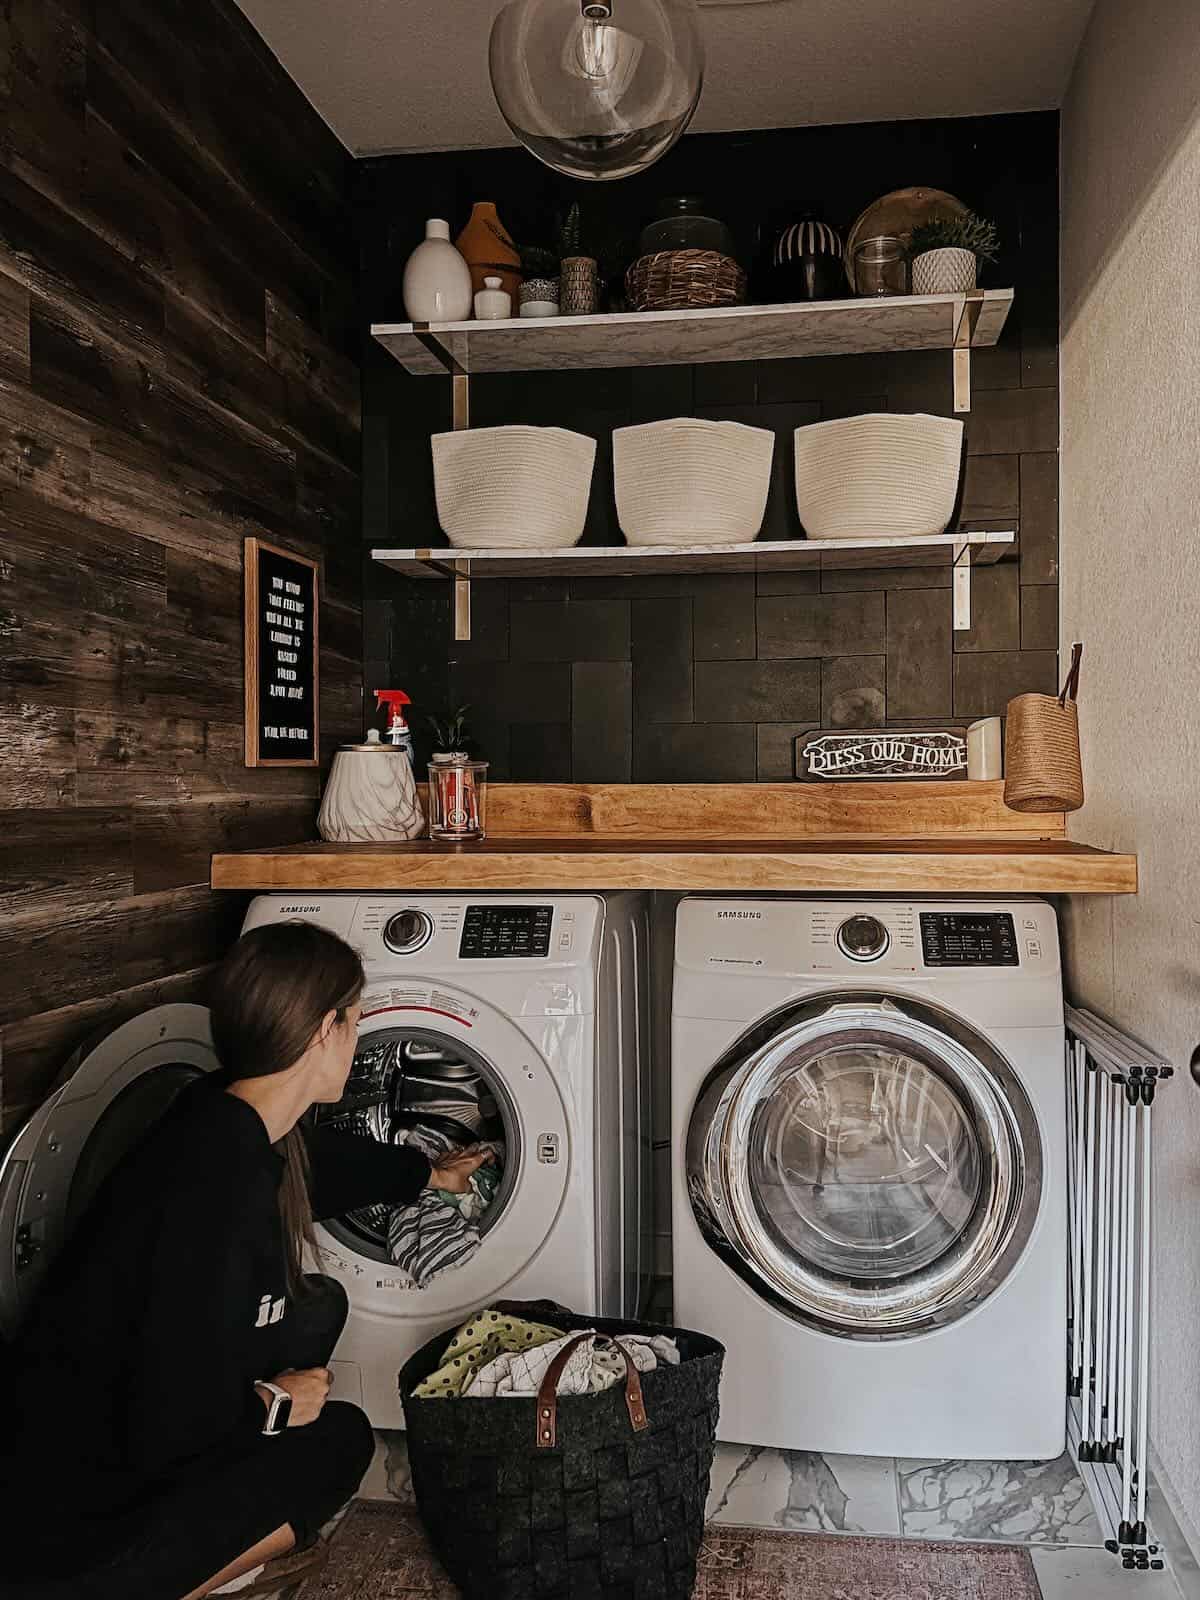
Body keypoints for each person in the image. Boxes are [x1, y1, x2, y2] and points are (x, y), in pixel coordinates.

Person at [0, 922, 492, 1600]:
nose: (356, 1038)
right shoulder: (212, 1197)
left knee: (319, 1315)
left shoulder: (223, 1117)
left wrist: (429, 1175)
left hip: (70, 1449)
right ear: (325, 1030)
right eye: (356, 1021)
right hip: (81, 1515)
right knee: (340, 1442)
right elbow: (164, 1415)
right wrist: (273, 1405)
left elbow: (329, 1169)